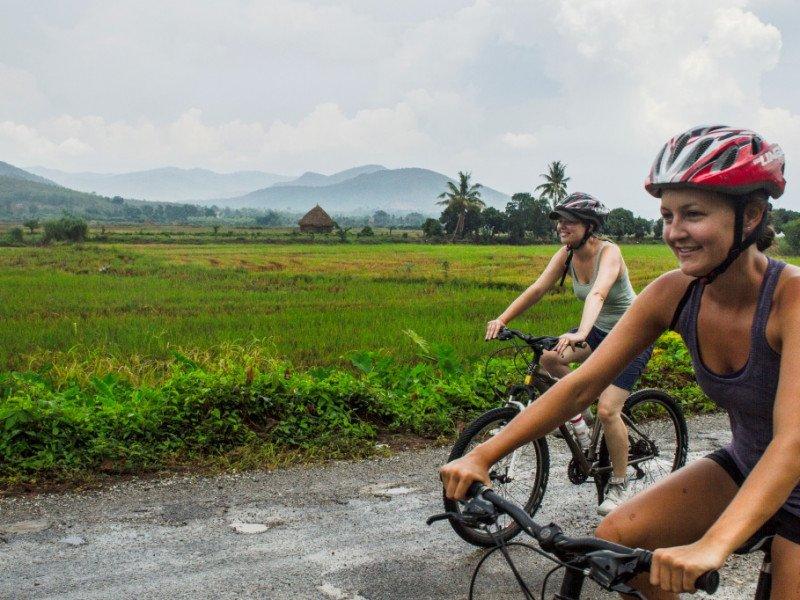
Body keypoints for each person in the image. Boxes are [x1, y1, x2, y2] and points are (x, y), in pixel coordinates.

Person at [441, 125, 800, 597]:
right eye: (667, 215)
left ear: (750, 215)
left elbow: (792, 439)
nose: (674, 232)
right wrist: (485, 453)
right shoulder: (673, 293)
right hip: (746, 462)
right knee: (618, 543)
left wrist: (712, 545)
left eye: (692, 214)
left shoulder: (790, 299)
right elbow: (580, 386)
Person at [484, 192, 652, 515]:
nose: (562, 226)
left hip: (632, 334)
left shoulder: (609, 253)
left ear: (590, 226)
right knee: (549, 360)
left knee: (609, 409)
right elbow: (537, 289)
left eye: (569, 221)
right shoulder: (566, 255)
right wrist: (503, 318)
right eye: (560, 220)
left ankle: (619, 483)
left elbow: (599, 293)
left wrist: (581, 333)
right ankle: (581, 419)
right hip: (600, 331)